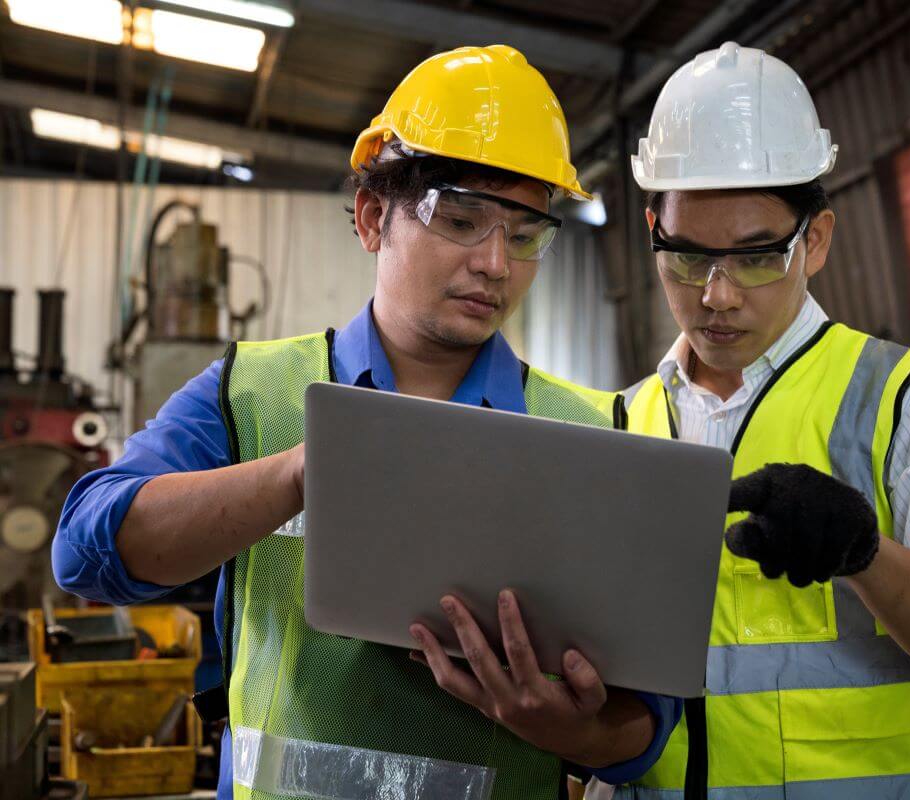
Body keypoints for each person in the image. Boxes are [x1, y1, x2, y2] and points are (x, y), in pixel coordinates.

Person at [53, 45, 679, 800]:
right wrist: (295, 474)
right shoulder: (252, 394)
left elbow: (649, 719)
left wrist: (571, 731)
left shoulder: (589, 428)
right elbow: (86, 553)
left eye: (524, 236)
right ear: (373, 216)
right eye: (461, 218)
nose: (494, 264)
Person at [611, 42, 910, 799]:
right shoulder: (622, 418)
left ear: (814, 240)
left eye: (754, 258)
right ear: (652, 228)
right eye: (685, 256)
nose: (716, 295)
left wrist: (863, 553)